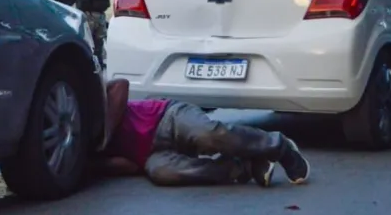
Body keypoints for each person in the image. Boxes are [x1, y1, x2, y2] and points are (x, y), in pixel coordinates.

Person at [97, 79, 310, 187]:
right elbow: (130, 166)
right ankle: (242, 167)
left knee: (206, 134)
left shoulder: (88, 106)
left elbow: (120, 85)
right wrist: (96, 161)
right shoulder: (82, 153)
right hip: (151, 155)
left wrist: (105, 134)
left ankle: (278, 145)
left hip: (167, 117)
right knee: (163, 173)